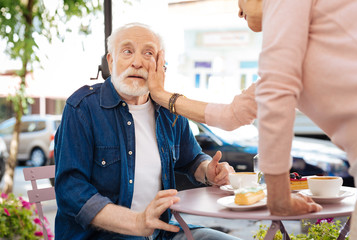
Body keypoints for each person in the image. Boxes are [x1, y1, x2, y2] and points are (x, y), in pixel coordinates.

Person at [149, 0, 357, 238]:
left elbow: (276, 94)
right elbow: (232, 115)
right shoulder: (303, 44)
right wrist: (161, 95)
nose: (238, 11)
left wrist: (279, 196)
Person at [54, 22, 241, 240]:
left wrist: (208, 170)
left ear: (160, 63)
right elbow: (71, 190)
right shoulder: (82, 108)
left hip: (162, 232)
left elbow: (191, 160)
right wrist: (136, 222)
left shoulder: (169, 110)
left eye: (148, 53)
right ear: (111, 60)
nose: (137, 62)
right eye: (127, 51)